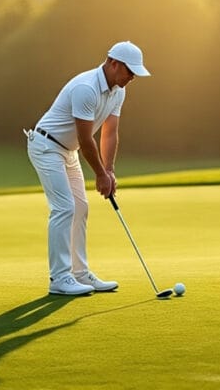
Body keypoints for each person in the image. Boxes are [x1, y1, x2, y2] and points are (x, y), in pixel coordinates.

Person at [25, 41, 151, 295]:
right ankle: (59, 278)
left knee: (81, 207)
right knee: (64, 208)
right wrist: (100, 175)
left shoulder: (118, 90)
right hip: (47, 145)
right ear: (113, 63)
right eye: (130, 71)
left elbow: (109, 132)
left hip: (67, 150)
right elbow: (86, 140)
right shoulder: (86, 88)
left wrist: (110, 170)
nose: (132, 77)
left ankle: (79, 274)